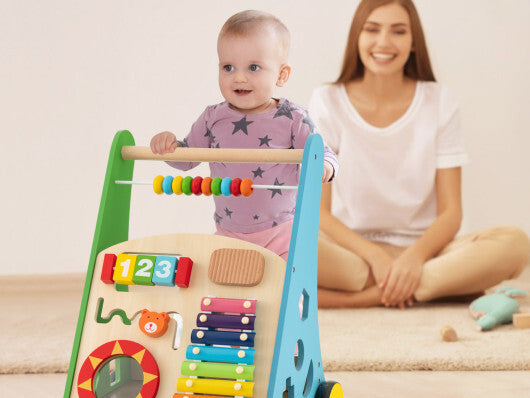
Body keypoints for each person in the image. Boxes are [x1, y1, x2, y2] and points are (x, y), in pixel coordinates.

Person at [309, 0, 530, 308]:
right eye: (372, 29)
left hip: (427, 254)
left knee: (515, 244)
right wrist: (374, 255)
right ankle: (425, 288)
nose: (384, 42)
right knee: (286, 242)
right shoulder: (327, 101)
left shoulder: (439, 100)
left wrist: (413, 259)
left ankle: (383, 289)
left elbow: (452, 212)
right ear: (356, 37)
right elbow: (319, 213)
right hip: (353, 255)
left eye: (398, 31)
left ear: (413, 43)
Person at [151, 10, 338, 261]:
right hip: (230, 232)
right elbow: (187, 158)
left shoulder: (293, 118)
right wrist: (169, 147)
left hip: (283, 230)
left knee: (283, 290)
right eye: (228, 67)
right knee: (228, 288)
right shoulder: (212, 118)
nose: (239, 77)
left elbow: (325, 153)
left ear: (281, 75)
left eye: (253, 67)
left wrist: (324, 167)